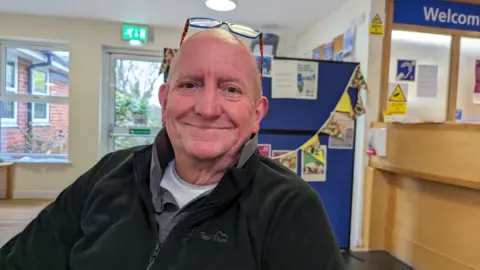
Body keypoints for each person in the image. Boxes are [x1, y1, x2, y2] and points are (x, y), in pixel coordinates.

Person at [0, 26, 345, 270]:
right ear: (165, 102)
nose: (207, 108)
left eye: (231, 90)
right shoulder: (107, 175)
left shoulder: (288, 208)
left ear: (257, 115)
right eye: (190, 84)